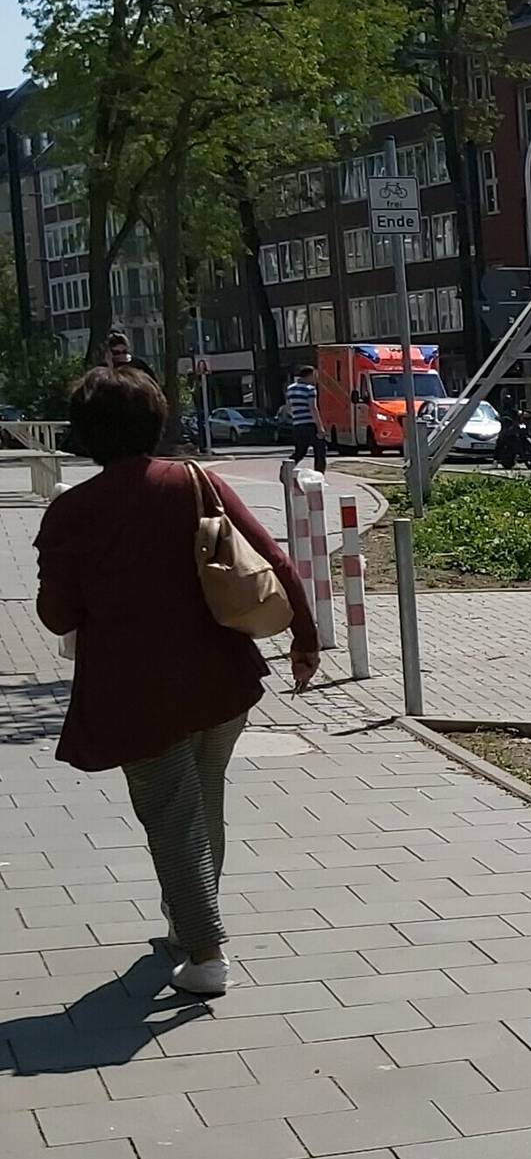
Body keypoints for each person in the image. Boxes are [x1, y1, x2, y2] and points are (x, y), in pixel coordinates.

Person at [35, 366, 319, 997]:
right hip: (222, 676)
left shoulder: (71, 512)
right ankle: (185, 918)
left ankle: (206, 950)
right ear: (155, 420)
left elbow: (56, 615)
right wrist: (304, 637)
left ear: (84, 433)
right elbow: (271, 557)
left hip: (134, 692)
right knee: (200, 801)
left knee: (170, 815)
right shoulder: (192, 480)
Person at [284, 366, 324, 472]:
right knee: (320, 450)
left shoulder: (290, 389)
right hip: (310, 424)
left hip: (297, 425)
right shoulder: (310, 389)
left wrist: (296, 417)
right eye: (314, 376)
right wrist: (320, 428)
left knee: (300, 451)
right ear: (309, 375)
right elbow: (313, 408)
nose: (315, 379)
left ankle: (287, 468)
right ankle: (319, 475)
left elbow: (288, 408)